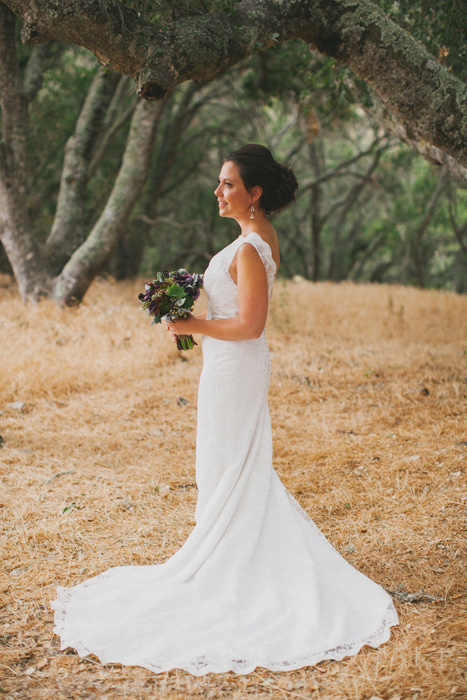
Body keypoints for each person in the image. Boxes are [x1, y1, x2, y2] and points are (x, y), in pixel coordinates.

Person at [52, 144, 398, 675]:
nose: (218, 192)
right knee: (225, 465)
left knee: (232, 465)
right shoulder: (250, 242)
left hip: (236, 366)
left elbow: (251, 325)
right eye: (219, 183)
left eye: (228, 184)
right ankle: (226, 551)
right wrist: (190, 312)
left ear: (253, 193)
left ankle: (231, 565)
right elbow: (236, 315)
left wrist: (192, 326)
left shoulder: (250, 249)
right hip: (227, 365)